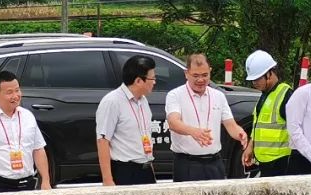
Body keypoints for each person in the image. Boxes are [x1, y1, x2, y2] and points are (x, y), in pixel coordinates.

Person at [165, 53, 248, 182]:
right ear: (186, 73)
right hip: (187, 163)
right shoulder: (175, 95)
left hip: (214, 163)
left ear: (210, 71)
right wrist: (194, 132)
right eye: (196, 76)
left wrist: (240, 134)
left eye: (205, 75)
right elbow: (173, 122)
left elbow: (230, 125)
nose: (200, 80)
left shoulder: (218, 96)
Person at [0, 71, 52, 192]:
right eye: (9, 92)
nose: (15, 96)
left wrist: (45, 180)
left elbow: (38, 149)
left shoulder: (27, 116)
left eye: (17, 90)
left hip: (26, 183)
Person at [96, 54, 158, 186]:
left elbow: (145, 136)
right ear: (138, 81)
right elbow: (102, 141)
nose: (154, 82)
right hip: (124, 171)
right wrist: (107, 180)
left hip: (145, 168)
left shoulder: (143, 101)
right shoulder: (112, 101)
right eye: (152, 78)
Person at [242, 50, 293, 177]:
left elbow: (297, 130)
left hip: (280, 163)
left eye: (257, 78)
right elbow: (258, 125)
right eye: (252, 79)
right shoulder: (264, 95)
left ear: (269, 73)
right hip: (264, 162)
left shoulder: (286, 95)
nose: (254, 83)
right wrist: (250, 147)